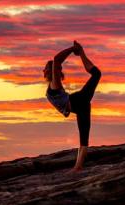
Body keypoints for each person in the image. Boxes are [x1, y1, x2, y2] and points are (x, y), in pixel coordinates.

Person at [44, 41, 102, 172]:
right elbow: (56, 61)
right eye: (55, 70)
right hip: (80, 106)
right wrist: (74, 49)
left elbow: (57, 60)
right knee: (84, 139)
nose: (59, 71)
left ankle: (78, 166)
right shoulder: (53, 85)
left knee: (97, 74)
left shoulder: (54, 85)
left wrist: (73, 49)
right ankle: (78, 167)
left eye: (58, 70)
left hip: (79, 101)